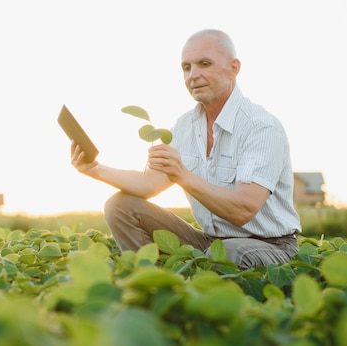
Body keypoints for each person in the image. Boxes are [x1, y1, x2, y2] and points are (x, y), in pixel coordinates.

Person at [70, 29, 301, 269]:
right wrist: (95, 170)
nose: (194, 75)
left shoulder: (261, 127)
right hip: (210, 242)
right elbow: (149, 184)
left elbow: (243, 209)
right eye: (186, 67)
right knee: (120, 206)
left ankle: (197, 285)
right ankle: (151, 280)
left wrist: (182, 175)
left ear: (234, 68)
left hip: (271, 246)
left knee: (228, 253)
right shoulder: (185, 126)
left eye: (204, 64)